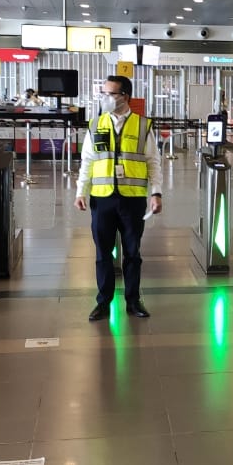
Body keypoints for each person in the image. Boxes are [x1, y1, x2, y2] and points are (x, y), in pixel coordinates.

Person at [75, 75, 162, 320]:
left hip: (132, 199)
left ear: (125, 96)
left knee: (132, 253)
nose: (105, 98)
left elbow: (153, 162)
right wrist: (80, 191)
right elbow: (87, 162)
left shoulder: (143, 126)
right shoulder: (95, 124)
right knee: (103, 252)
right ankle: (103, 301)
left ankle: (133, 301)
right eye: (103, 94)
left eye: (110, 94)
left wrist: (156, 193)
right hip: (102, 198)